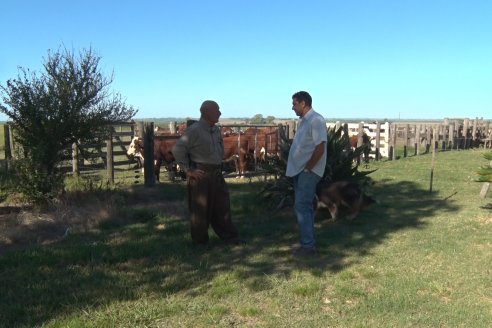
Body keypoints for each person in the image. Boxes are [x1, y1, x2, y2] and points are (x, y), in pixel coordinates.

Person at [172, 100, 241, 247]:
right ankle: (200, 243)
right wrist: (188, 170)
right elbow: (178, 149)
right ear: (207, 113)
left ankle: (229, 237)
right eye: (217, 111)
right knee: (200, 209)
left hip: (216, 172)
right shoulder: (195, 130)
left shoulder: (215, 129)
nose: (220, 113)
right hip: (201, 173)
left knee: (222, 206)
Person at [286, 91, 327, 256]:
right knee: (305, 207)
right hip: (301, 171)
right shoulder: (305, 121)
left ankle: (308, 246)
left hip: (307, 172)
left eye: (294, 103)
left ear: (303, 103)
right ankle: (307, 243)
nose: (292, 107)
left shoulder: (316, 120)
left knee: (302, 206)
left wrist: (308, 167)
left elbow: (320, 147)